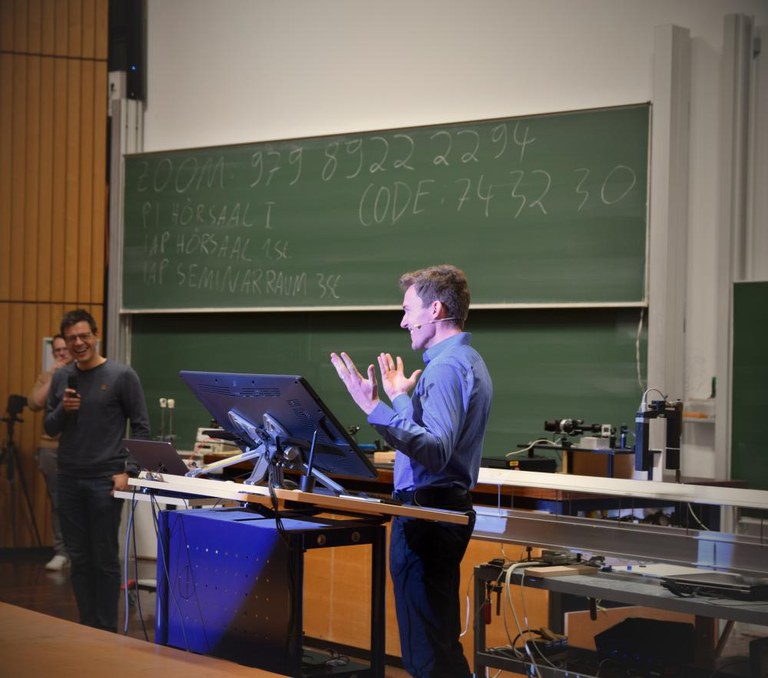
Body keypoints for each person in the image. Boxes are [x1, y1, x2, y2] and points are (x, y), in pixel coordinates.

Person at [330, 264, 492, 678]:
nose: (403, 321)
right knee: (435, 643)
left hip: (427, 515)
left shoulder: (446, 368)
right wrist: (401, 400)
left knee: (427, 655)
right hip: (433, 512)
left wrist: (374, 408)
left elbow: (436, 452)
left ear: (435, 310)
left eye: (408, 310)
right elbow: (436, 439)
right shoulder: (462, 360)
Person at [44, 309, 150, 632]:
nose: (78, 343)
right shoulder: (62, 377)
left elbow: (142, 428)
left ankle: (106, 631)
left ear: (96, 336)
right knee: (79, 557)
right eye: (71, 338)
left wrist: (128, 471)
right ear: (65, 341)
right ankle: (85, 627)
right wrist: (64, 408)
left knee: (104, 558)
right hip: (69, 477)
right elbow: (49, 426)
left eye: (84, 336)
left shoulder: (121, 376)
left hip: (105, 480)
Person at [26, 334, 73, 571]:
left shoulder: (82, 373)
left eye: (65, 349)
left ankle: (78, 552)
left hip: (79, 448)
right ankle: (61, 551)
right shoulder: (48, 376)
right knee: (58, 501)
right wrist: (54, 376)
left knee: (79, 502)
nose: (62, 354)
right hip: (51, 448)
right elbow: (34, 403)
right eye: (57, 351)